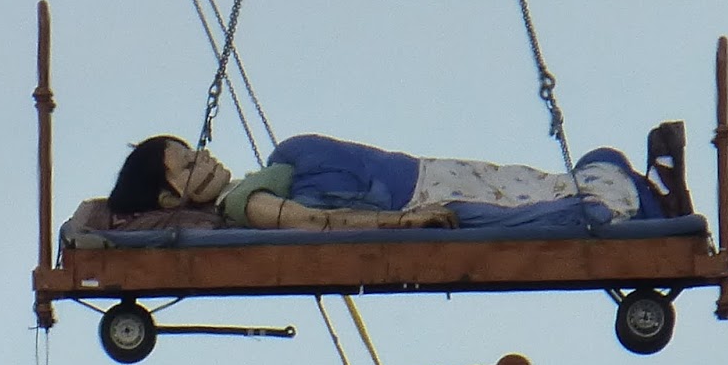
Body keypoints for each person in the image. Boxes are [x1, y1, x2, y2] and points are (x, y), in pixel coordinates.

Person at [108, 122, 689, 232]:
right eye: (187, 166)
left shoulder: (253, 183)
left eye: (194, 150)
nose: (204, 159)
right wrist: (401, 220)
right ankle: (648, 198)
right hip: (421, 190)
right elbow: (316, 223)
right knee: (543, 197)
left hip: (420, 174)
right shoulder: (244, 204)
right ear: (169, 195)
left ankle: (645, 187)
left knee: (536, 181)